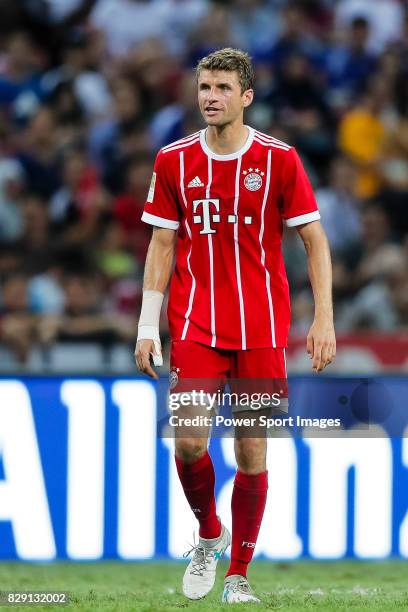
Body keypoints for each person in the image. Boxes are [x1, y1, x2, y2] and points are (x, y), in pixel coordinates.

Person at [135, 48, 336, 604]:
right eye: (204, 86)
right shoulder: (173, 161)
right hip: (196, 325)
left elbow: (314, 240)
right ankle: (208, 535)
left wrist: (323, 318)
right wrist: (147, 326)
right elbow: (161, 244)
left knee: (252, 453)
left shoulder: (279, 160)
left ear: (246, 97)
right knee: (190, 441)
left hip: (261, 331)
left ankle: (239, 575)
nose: (210, 96)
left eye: (222, 87)